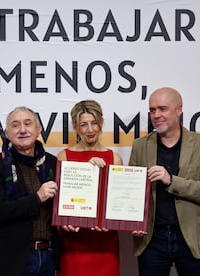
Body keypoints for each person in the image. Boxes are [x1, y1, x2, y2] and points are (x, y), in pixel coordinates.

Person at [129, 87, 200, 276]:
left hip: (192, 237)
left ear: (179, 109)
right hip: (152, 240)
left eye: (162, 109)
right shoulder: (140, 146)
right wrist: (134, 222)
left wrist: (171, 180)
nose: (156, 115)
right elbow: (132, 192)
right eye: (152, 110)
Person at [0, 106, 60, 276]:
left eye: (28, 123)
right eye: (16, 125)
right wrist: (37, 197)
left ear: (38, 129)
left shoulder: (52, 163)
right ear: (7, 133)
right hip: (13, 258)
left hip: (48, 256)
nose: (23, 130)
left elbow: (63, 205)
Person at [56, 100, 123, 276]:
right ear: (76, 127)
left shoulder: (114, 158)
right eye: (83, 124)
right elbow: (59, 202)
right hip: (74, 242)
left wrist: (113, 220)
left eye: (94, 123)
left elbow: (118, 202)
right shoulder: (64, 157)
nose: (90, 129)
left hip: (105, 242)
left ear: (101, 123)